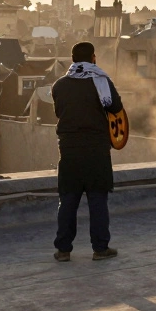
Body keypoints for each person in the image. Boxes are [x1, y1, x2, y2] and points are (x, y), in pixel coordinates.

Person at [51, 42, 123, 262]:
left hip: (69, 149)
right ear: (93, 57)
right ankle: (100, 249)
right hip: (96, 150)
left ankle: (63, 250)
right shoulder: (101, 81)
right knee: (97, 199)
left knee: (68, 200)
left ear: (72, 59)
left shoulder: (59, 85)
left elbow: (58, 112)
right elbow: (115, 108)